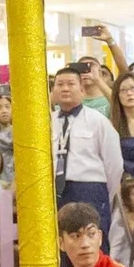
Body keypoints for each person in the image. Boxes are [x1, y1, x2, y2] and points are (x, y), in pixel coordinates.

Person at [54, 65, 125, 238]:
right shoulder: (47, 122)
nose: (64, 88)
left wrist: (102, 194)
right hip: (56, 192)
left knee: (93, 245)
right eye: (59, 84)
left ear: (82, 89)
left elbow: (114, 164)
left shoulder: (97, 121)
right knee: (61, 245)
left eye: (70, 84)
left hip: (89, 189)